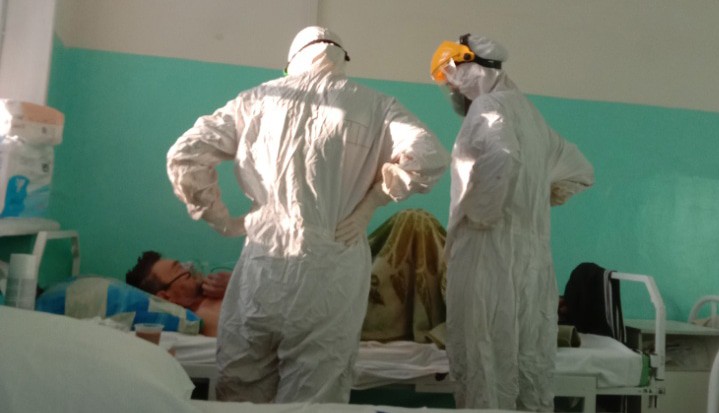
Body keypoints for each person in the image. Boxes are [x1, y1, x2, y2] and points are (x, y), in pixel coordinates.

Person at [166, 26, 449, 403]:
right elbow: (429, 157)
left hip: (264, 267)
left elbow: (185, 155)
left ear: (290, 64)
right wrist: (372, 202)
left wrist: (221, 220)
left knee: (242, 390)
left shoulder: (256, 99)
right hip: (333, 271)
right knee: (316, 397)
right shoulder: (378, 106)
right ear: (342, 58)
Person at [430, 34, 595, 411]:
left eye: (452, 76)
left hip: (488, 255)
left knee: (484, 360)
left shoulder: (488, 107)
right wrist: (541, 194)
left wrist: (480, 213)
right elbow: (581, 170)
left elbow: (504, 157)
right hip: (533, 261)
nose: (452, 88)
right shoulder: (530, 114)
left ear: (472, 68)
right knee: (529, 361)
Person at [125, 251, 230, 337]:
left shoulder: (221, 289)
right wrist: (235, 288)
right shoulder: (204, 315)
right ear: (166, 297)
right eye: (179, 269)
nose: (190, 267)